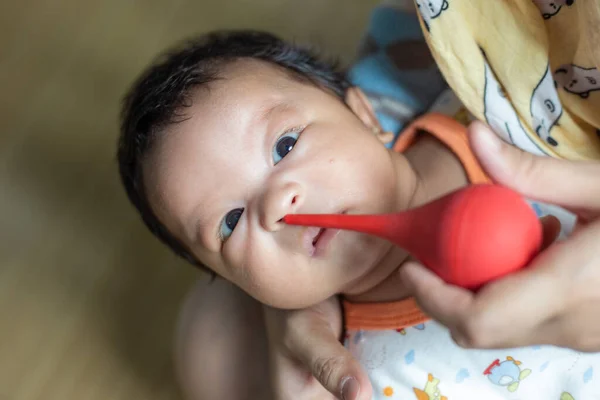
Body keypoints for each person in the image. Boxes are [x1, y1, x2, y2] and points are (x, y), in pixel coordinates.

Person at [117, 21, 600, 399]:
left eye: (285, 145)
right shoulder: (358, 380)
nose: (277, 205)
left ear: (366, 114)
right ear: (245, 285)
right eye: (231, 220)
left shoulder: (489, 107)